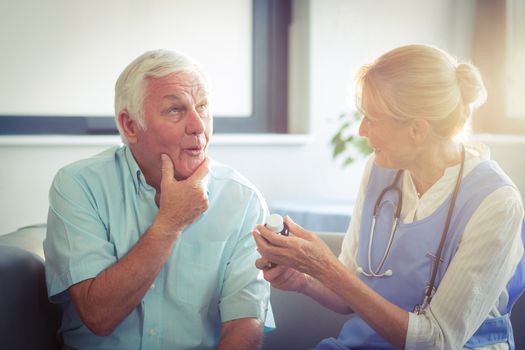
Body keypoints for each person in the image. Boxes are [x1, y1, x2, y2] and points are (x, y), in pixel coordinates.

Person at [253, 44, 525, 349]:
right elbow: (353, 293)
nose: (360, 130)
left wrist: (327, 268)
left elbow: (437, 341)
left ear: (417, 130)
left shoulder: (497, 202)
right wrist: (303, 280)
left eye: (371, 118)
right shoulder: (381, 171)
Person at [44, 49, 273, 350]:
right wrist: (170, 222)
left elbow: (244, 324)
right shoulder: (78, 186)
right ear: (130, 126)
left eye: (202, 107)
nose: (198, 126)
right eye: (175, 110)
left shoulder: (242, 200)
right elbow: (98, 316)